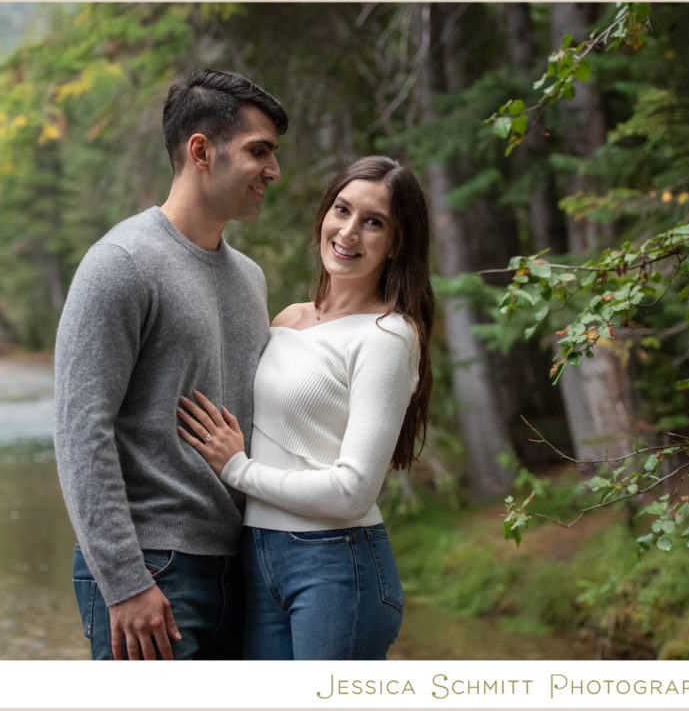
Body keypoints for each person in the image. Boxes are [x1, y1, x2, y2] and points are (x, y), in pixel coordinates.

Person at [53, 68, 288, 660]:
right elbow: (81, 431)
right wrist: (124, 581)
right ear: (201, 151)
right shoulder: (121, 263)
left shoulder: (250, 279)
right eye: (259, 151)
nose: (274, 171)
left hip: (241, 569)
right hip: (153, 569)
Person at [177, 155, 434, 660]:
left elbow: (353, 491)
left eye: (374, 222)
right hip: (258, 555)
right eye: (342, 210)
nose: (349, 232)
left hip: (336, 564)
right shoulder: (289, 318)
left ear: (396, 243)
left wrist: (238, 470)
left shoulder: (388, 336)